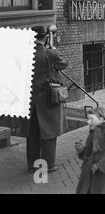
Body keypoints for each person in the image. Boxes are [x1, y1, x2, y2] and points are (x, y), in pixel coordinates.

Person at [27, 26, 68, 174]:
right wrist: (53, 47)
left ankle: (32, 164)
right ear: (45, 37)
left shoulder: (27, 53)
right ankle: (48, 165)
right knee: (50, 132)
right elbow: (63, 63)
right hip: (47, 99)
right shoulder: (49, 53)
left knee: (33, 133)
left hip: (31, 99)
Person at [75, 106, 105, 194]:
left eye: (91, 119)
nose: (88, 122)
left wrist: (99, 165)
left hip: (104, 173)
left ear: (101, 118)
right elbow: (88, 152)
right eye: (88, 119)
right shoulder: (94, 131)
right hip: (90, 172)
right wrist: (81, 150)